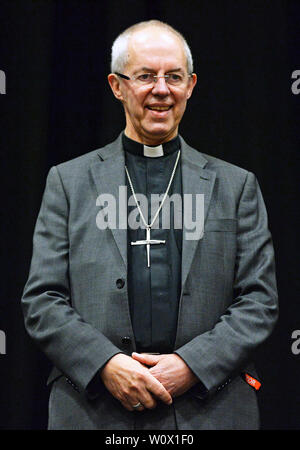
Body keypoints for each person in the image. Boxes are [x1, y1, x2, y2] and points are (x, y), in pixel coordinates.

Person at [21, 20, 278, 430]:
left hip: (209, 407)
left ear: (190, 85)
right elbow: (42, 300)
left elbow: (259, 301)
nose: (162, 89)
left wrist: (190, 366)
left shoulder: (236, 186)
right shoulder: (68, 182)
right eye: (145, 76)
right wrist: (106, 364)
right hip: (93, 408)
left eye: (173, 76)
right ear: (116, 86)